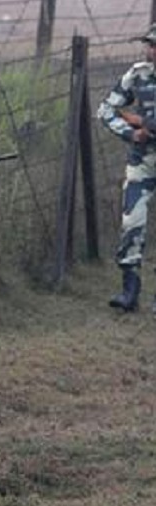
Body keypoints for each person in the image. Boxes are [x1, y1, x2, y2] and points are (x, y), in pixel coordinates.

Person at [97, 23, 156, 313]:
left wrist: (145, 123)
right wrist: (130, 131)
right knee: (132, 223)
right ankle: (129, 290)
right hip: (142, 161)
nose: (152, 51)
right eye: (150, 45)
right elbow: (106, 109)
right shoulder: (138, 75)